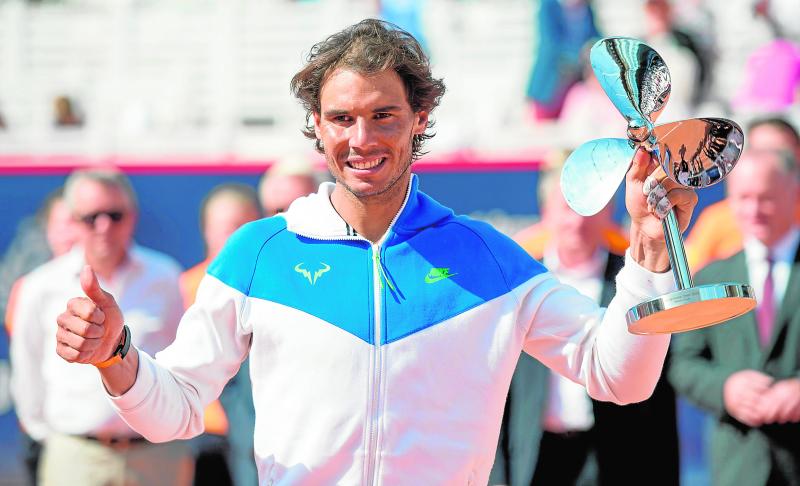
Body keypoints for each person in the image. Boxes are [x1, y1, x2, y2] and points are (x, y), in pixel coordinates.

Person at [54, 20, 697, 484]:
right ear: (318, 126)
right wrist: (117, 355)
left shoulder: (488, 256)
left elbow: (621, 379)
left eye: (384, 116)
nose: (361, 140)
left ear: (420, 117)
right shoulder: (258, 252)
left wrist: (646, 254)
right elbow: (176, 410)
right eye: (341, 119)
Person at [491, 160, 679, 486]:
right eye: (567, 208)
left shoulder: (634, 284)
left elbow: (660, 393)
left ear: (609, 212)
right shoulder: (517, 285)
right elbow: (497, 392)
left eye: (589, 208)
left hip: (616, 459)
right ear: (545, 212)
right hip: (535, 456)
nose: (577, 221)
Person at [10, 169, 192, 486]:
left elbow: (182, 364)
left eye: (114, 215)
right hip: (76, 457)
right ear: (73, 221)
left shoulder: (164, 277)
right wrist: (53, 435)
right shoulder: (41, 285)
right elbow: (27, 371)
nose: (103, 226)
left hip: (157, 457)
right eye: (91, 217)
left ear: (132, 218)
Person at [669, 149, 800, 486]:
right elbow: (683, 363)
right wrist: (725, 388)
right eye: (743, 198)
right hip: (738, 467)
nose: (754, 211)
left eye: (766, 198)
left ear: (794, 194)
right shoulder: (712, 278)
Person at [181, 183, 262, 486]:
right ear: (207, 231)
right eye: (228, 228)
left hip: (257, 433)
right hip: (204, 435)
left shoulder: (271, 290)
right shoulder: (186, 288)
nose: (236, 238)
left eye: (245, 227)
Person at [686, 117, 800, 270]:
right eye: (759, 151)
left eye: (779, 152)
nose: (769, 162)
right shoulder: (717, 220)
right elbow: (692, 275)